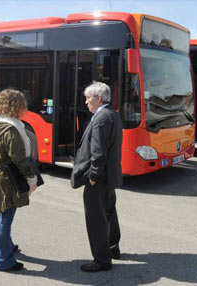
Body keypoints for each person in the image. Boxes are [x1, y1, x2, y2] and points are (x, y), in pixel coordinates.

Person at [71, 81, 123, 272]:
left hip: (99, 178)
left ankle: (102, 260)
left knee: (96, 218)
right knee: (109, 212)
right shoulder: (112, 114)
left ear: (98, 98)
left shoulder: (101, 118)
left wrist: (93, 175)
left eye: (88, 98)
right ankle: (112, 248)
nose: (85, 102)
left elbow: (98, 152)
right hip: (110, 177)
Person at [0, 88, 37, 272]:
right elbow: (19, 159)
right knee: (5, 216)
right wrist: (31, 179)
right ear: (18, 105)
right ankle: (5, 260)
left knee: (0, 211)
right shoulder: (11, 128)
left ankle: (7, 246)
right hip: (8, 177)